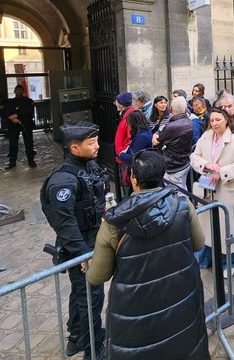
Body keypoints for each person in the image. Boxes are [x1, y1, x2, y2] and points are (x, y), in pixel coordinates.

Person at [88, 150, 209, 360]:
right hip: (180, 295)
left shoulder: (114, 222)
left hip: (135, 309)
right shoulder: (182, 205)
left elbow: (97, 276)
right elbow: (198, 244)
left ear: (134, 180)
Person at [40, 122, 109, 360]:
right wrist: (82, 254)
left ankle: (76, 337)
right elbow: (64, 222)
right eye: (92, 143)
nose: (97, 146)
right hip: (80, 245)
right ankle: (94, 347)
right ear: (74, 148)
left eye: (97, 141)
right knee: (91, 297)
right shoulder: (62, 180)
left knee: (82, 293)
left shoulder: (89, 166)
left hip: (92, 238)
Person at [190, 107, 234, 273]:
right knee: (207, 227)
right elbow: (194, 157)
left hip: (227, 191)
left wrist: (221, 172)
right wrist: (206, 165)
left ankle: (229, 263)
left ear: (226, 120)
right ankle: (206, 259)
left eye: (218, 120)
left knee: (227, 229)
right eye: (212, 120)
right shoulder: (206, 137)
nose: (215, 123)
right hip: (208, 190)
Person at [152, 96, 194, 190]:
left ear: (170, 108)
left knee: (177, 194)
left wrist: (155, 134)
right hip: (184, 161)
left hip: (174, 165)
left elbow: (156, 142)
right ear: (184, 109)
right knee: (183, 189)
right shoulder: (189, 122)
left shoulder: (171, 127)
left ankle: (186, 205)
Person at [0, 84, 36, 169]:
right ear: (14, 91)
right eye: (17, 90)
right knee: (13, 144)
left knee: (29, 143)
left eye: (21, 90)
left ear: (23, 91)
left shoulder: (28, 101)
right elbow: (3, 111)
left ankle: (31, 160)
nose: (19, 92)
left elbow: (28, 111)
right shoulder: (10, 102)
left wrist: (16, 115)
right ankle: (12, 161)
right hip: (13, 125)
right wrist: (10, 117)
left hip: (26, 124)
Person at [118, 111, 153, 197]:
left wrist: (121, 155)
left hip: (140, 169)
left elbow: (134, 157)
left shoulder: (141, 137)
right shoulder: (146, 131)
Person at [114, 92, 136, 197]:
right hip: (122, 155)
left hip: (124, 157)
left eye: (117, 102)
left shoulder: (130, 116)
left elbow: (130, 137)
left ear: (121, 104)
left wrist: (122, 152)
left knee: (127, 182)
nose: (115, 104)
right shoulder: (127, 114)